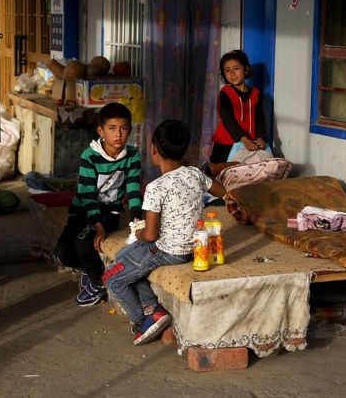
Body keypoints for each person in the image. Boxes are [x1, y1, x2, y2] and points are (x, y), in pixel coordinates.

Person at [103, 119, 226, 345]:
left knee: (112, 278)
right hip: (195, 247)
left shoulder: (156, 187)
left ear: (153, 149)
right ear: (185, 149)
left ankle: (143, 321)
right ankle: (152, 308)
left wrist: (138, 234)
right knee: (124, 257)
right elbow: (221, 190)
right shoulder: (195, 174)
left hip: (168, 251)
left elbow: (150, 236)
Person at [53, 102, 143, 307]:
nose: (118, 134)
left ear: (130, 129)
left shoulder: (132, 155)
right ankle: (87, 269)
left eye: (123, 128)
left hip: (108, 211)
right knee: (61, 255)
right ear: (101, 130)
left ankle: (100, 283)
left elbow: (133, 187)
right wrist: (97, 226)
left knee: (84, 244)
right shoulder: (90, 156)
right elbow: (87, 195)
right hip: (84, 209)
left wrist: (137, 215)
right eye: (112, 128)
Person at [209, 49, 269, 165]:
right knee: (220, 175)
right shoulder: (225, 93)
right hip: (226, 144)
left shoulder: (256, 94)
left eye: (236, 69)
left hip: (250, 143)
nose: (232, 74)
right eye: (227, 70)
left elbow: (260, 119)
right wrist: (244, 139)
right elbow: (228, 120)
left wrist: (261, 137)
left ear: (245, 70)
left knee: (245, 175)